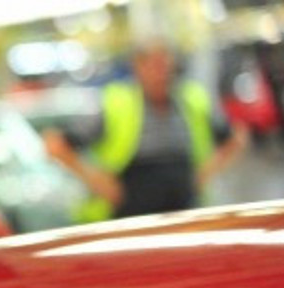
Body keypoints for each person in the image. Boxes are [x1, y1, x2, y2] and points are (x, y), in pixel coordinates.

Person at [44, 40, 248, 222]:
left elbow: (235, 137)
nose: (161, 73)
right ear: (137, 67)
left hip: (185, 211)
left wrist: (203, 175)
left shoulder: (191, 100)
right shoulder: (117, 102)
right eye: (154, 65)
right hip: (129, 215)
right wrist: (98, 182)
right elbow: (56, 144)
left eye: (165, 65)